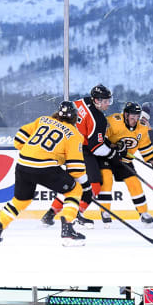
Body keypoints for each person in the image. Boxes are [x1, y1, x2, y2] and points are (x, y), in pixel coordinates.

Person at [0, 100, 87, 246]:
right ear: (74, 117)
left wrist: (35, 152)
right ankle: (68, 231)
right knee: (75, 190)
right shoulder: (74, 134)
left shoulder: (43, 120)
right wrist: (85, 185)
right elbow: (76, 169)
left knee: (21, 201)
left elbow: (18, 140)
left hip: (23, 165)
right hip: (46, 168)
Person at [41, 84, 116, 226]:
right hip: (80, 149)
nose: (108, 104)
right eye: (105, 101)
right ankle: (77, 213)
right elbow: (96, 148)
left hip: (64, 145)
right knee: (93, 185)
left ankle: (50, 214)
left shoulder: (81, 101)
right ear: (96, 100)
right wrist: (113, 153)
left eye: (108, 100)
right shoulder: (98, 119)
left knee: (72, 184)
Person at [97, 102, 153, 226]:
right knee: (106, 178)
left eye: (137, 117)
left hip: (124, 160)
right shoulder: (113, 121)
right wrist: (115, 146)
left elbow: (146, 150)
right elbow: (99, 139)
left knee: (134, 181)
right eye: (132, 117)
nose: (135, 120)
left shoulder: (142, 127)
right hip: (107, 156)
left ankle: (143, 213)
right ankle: (105, 211)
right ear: (126, 115)